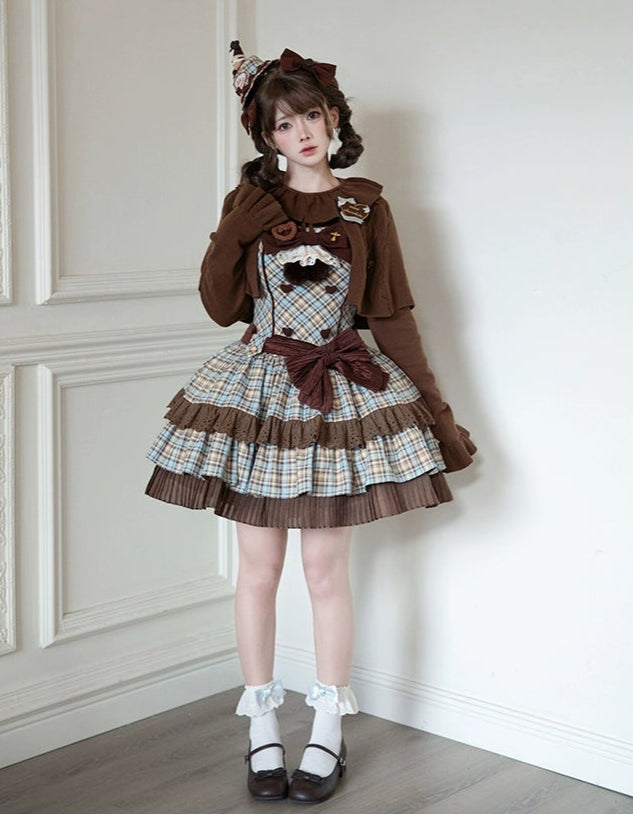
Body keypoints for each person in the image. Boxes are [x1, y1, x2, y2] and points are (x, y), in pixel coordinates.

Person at [145, 41, 476, 804]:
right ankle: (262, 726)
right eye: (284, 123)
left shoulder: (367, 207)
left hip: (339, 391)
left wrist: (438, 417)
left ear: (333, 119)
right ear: (266, 136)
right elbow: (220, 306)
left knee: (326, 572)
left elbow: (390, 316)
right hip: (259, 396)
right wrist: (237, 229)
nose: (301, 133)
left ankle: (328, 728)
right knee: (257, 570)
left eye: (311, 117)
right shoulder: (246, 205)